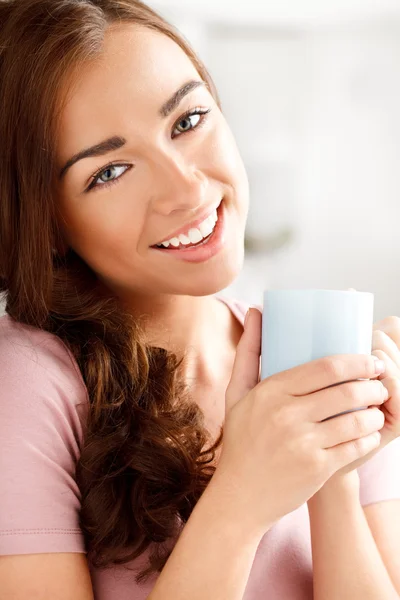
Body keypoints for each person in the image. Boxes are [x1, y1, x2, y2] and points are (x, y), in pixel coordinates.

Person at [0, 1, 400, 599]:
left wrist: (332, 477)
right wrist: (240, 501)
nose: (186, 186)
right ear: (47, 220)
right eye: (109, 171)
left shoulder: (309, 352)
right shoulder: (28, 386)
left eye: (187, 121)